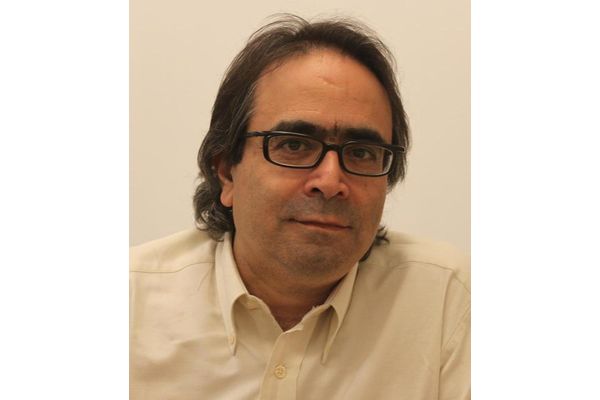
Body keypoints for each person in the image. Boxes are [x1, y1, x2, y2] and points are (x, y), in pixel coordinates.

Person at [130, 14, 470, 400]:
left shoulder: (449, 303)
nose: (331, 181)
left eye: (361, 152)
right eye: (294, 145)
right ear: (226, 173)